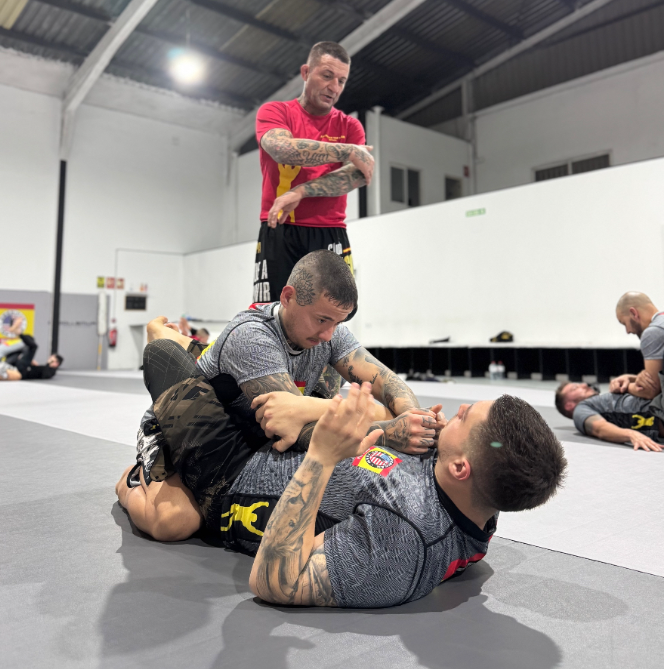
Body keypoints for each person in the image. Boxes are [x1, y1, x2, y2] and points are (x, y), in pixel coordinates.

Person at [118, 372, 566, 608]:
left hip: (230, 474)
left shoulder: (401, 544)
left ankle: (146, 458)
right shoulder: (475, 495)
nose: (459, 408)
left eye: (466, 417)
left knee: (166, 362)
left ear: (461, 468)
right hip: (274, 440)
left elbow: (274, 582)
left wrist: (321, 457)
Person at [116, 250, 442, 542]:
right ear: (288, 297)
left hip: (248, 435)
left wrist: (413, 418)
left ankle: (179, 341)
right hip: (185, 429)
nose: (329, 333)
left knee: (355, 397)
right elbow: (296, 430)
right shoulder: (252, 337)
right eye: (322, 319)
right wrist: (387, 431)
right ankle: (132, 479)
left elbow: (387, 381)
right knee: (173, 523)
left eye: (338, 322)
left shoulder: (330, 332)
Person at [253, 41, 374, 305]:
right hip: (280, 226)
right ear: (306, 72)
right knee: (273, 310)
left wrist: (301, 191)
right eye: (327, 76)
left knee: (337, 309)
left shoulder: (350, 126)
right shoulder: (275, 111)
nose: (334, 87)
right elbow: (283, 149)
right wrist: (348, 151)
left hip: (329, 229)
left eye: (341, 81)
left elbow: (358, 174)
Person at [554, 381, 662, 452]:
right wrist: (631, 434)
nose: (584, 384)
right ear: (569, 405)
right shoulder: (580, 409)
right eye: (575, 388)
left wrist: (628, 380)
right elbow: (600, 428)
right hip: (657, 410)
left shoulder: (603, 399)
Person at [612, 292, 664, 399]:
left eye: (625, 323)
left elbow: (651, 391)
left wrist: (625, 387)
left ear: (634, 313)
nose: (628, 331)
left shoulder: (653, 332)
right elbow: (657, 382)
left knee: (606, 401)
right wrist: (632, 379)